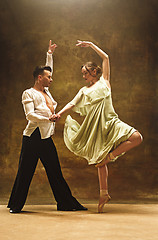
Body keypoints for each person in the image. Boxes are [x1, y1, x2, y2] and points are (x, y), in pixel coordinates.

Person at [53, 40, 143, 213]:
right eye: (83, 75)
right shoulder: (84, 91)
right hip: (97, 127)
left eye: (85, 74)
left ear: (94, 71)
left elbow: (106, 57)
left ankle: (109, 157)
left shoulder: (104, 81)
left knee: (136, 137)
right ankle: (104, 194)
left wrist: (91, 44)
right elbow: (72, 103)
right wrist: (59, 114)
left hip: (111, 122)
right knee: (99, 161)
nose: (84, 77)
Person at [7, 40, 87, 213]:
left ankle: (66, 203)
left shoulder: (46, 91)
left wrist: (49, 54)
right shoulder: (28, 93)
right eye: (48, 77)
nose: (51, 79)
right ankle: (15, 205)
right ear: (39, 78)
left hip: (45, 138)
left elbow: (48, 69)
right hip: (32, 138)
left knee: (55, 171)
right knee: (25, 172)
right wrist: (48, 119)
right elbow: (29, 116)